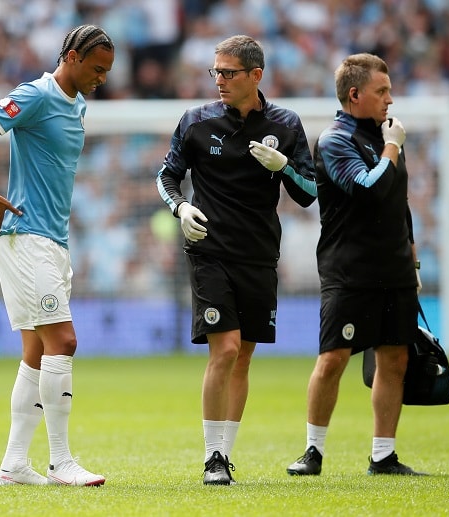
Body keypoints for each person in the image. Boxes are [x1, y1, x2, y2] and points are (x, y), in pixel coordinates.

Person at [156, 35, 317, 485]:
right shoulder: (196, 121)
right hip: (209, 251)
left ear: (255, 75)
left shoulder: (286, 124)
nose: (220, 80)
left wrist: (283, 166)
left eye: (228, 73)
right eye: (216, 72)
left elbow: (309, 194)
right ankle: (211, 458)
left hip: (260, 255)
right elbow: (166, 176)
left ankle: (225, 456)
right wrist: (180, 207)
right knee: (224, 350)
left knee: (243, 357)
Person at [0, 24, 114, 487]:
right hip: (26, 237)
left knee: (35, 351)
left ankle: (14, 465)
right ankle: (61, 460)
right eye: (96, 68)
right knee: (63, 341)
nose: (101, 78)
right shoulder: (36, 95)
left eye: (107, 71)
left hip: (52, 240)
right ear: (70, 56)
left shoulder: (78, 104)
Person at [286, 53, 424, 477]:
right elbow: (368, 190)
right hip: (349, 270)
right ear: (354, 94)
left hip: (394, 267)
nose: (390, 99)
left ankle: (383, 455)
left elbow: (398, 204)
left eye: (389, 90)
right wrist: (393, 147)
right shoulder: (334, 140)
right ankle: (312, 452)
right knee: (333, 359)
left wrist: (412, 255)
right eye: (381, 91)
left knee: (394, 358)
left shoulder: (385, 136)